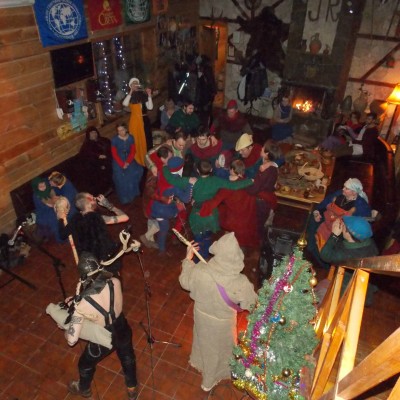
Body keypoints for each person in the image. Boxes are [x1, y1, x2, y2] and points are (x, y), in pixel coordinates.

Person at [179, 233, 257, 392]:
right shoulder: (240, 282)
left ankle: (198, 361)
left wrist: (188, 258)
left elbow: (184, 282)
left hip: (201, 317)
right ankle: (208, 381)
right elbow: (252, 304)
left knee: (203, 342)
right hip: (222, 325)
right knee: (218, 351)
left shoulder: (200, 270)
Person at [64, 252, 139, 399]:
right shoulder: (115, 281)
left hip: (103, 339)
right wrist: (76, 301)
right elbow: (101, 295)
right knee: (127, 357)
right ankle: (132, 388)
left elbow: (72, 341)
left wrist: (68, 328)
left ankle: (84, 389)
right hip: (122, 328)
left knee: (84, 364)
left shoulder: (82, 305)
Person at [163, 159, 252, 260]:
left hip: (197, 216)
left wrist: (165, 167)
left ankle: (198, 259)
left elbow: (171, 180)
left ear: (197, 170)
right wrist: (250, 181)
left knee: (198, 239)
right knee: (207, 237)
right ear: (211, 170)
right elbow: (234, 186)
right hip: (211, 215)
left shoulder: (192, 181)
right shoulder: (216, 181)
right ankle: (205, 255)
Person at [306, 178, 371, 268]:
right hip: (328, 219)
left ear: (354, 192)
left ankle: (326, 265)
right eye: (344, 187)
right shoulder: (339, 193)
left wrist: (344, 226)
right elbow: (324, 204)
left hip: (342, 228)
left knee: (330, 242)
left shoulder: (361, 205)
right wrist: (317, 213)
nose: (343, 189)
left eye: (346, 188)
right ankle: (311, 246)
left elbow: (360, 225)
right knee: (312, 219)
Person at [57, 192, 129, 275]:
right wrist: (109, 206)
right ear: (89, 203)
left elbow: (62, 234)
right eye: (92, 197)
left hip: (89, 265)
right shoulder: (98, 218)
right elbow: (125, 217)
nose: (95, 198)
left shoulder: (75, 219)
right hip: (105, 261)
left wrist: (60, 219)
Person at [199, 160, 260, 248]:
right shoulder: (247, 182)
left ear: (232, 170)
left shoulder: (227, 187)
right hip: (247, 215)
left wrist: (202, 210)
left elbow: (214, 201)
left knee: (219, 212)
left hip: (233, 216)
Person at [245, 140, 281, 235]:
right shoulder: (269, 165)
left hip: (261, 203)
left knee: (257, 227)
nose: (261, 148)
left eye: (263, 148)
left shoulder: (266, 170)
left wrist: (243, 184)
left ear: (267, 154)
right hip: (265, 201)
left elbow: (254, 189)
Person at [122, 77, 153, 166]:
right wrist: (131, 92)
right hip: (135, 122)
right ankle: (138, 159)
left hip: (144, 120)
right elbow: (124, 104)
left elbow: (150, 107)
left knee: (147, 139)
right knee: (136, 140)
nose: (135, 85)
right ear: (130, 85)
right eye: (133, 84)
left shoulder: (143, 94)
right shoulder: (130, 96)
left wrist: (149, 95)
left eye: (136, 83)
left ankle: (148, 159)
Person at [111, 122, 143, 205]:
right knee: (121, 177)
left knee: (137, 171)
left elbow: (133, 151)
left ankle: (133, 193)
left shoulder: (131, 138)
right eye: (118, 131)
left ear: (126, 129)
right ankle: (125, 198)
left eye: (122, 130)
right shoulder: (114, 140)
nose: (120, 132)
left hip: (129, 158)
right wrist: (122, 164)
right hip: (118, 160)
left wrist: (128, 162)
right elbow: (114, 154)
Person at [78, 126, 112, 195]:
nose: (94, 134)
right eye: (91, 133)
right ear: (88, 135)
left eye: (95, 132)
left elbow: (110, 148)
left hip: (108, 161)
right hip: (95, 166)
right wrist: (98, 156)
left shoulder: (104, 140)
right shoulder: (86, 146)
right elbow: (87, 156)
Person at [31, 176, 61, 242]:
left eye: (44, 185)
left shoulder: (49, 189)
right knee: (54, 220)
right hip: (44, 212)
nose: (43, 187)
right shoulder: (37, 195)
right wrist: (56, 204)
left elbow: (54, 195)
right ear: (36, 187)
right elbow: (47, 205)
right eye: (40, 186)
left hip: (51, 208)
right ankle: (59, 238)